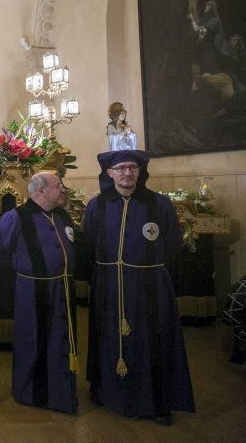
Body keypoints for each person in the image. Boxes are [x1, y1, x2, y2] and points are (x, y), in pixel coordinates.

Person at [83, 150, 195, 426]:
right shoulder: (97, 205)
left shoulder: (159, 205)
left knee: (152, 341)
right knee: (107, 337)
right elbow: (89, 241)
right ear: (109, 173)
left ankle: (157, 403)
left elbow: (172, 244)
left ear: (140, 172)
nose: (126, 173)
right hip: (109, 284)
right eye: (120, 168)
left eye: (132, 168)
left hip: (150, 286)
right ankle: (107, 392)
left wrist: (145, 267)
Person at [0, 171, 78, 414]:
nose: (63, 189)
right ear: (41, 190)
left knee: (61, 339)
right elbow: (1, 252)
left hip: (62, 289)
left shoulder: (62, 215)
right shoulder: (16, 217)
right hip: (32, 291)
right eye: (58, 185)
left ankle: (62, 392)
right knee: (33, 341)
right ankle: (31, 393)